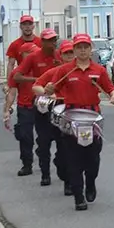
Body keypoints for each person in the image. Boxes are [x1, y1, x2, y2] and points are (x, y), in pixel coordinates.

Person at [42, 34, 114, 210]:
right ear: (75, 50)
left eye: (85, 46)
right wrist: (49, 89)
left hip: (92, 117)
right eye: (79, 47)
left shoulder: (98, 70)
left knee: (93, 158)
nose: (82, 50)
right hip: (72, 117)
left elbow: (110, 89)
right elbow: (52, 89)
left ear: (90, 48)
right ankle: (78, 197)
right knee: (73, 159)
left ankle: (90, 181)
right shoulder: (65, 70)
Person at [14, 30, 66, 188]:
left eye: (55, 40)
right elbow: (16, 76)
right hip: (42, 103)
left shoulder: (60, 56)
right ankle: (44, 173)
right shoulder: (33, 57)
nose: (53, 43)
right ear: (42, 42)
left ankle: (60, 162)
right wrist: (37, 80)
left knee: (62, 140)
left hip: (60, 103)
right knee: (42, 140)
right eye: (50, 40)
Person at [31, 40, 76, 197]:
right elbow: (36, 86)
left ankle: (71, 181)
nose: (69, 56)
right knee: (53, 145)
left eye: (72, 52)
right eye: (66, 53)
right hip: (56, 111)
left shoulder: (82, 71)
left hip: (75, 112)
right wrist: (48, 93)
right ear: (61, 55)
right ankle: (59, 174)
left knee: (71, 149)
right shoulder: (55, 72)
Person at [8, 40, 42, 178]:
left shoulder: (40, 68)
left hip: (41, 107)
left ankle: (42, 150)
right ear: (23, 55)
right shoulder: (17, 72)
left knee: (46, 136)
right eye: (31, 53)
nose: (34, 55)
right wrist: (7, 108)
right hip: (25, 107)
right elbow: (11, 92)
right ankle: (27, 164)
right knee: (25, 137)